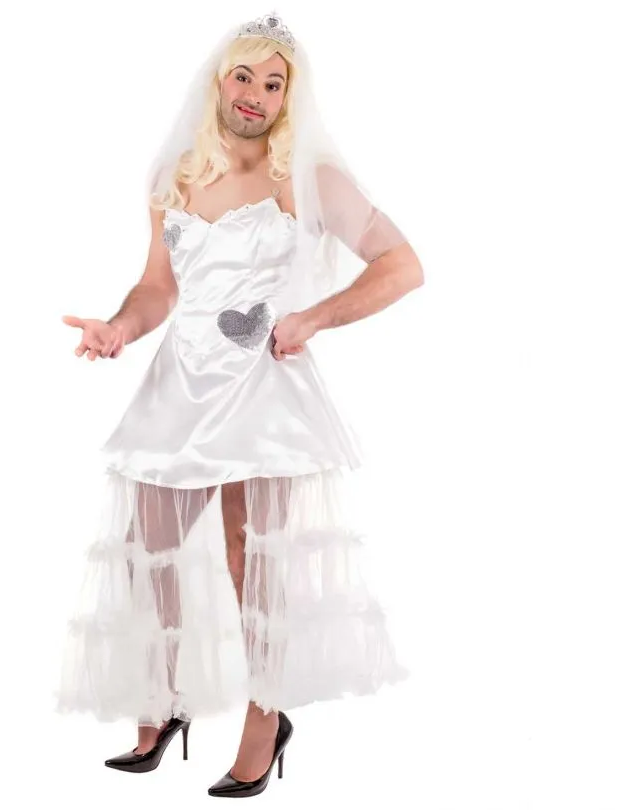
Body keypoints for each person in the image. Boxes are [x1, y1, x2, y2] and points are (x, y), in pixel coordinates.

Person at [55, 13, 424, 799]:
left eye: (273, 83)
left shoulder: (307, 176)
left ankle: (265, 722)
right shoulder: (176, 174)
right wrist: (120, 328)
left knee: (249, 556)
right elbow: (158, 287)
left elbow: (402, 264)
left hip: (261, 387)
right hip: (180, 382)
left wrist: (315, 317)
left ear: (290, 97)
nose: (255, 94)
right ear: (220, 81)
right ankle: (162, 704)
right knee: (146, 551)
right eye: (244, 76)